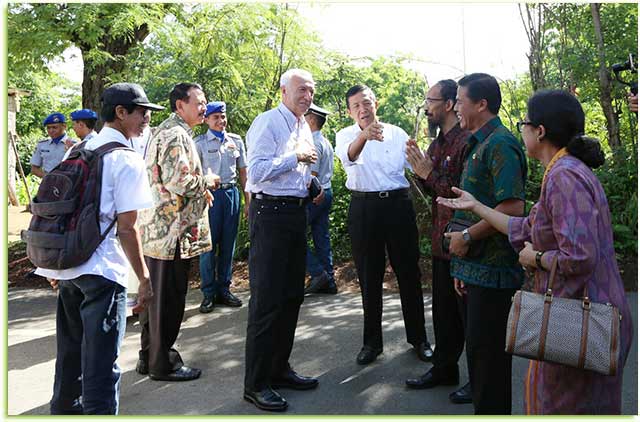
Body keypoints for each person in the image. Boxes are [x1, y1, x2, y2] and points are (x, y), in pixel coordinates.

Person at [438, 89, 634, 415]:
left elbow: (579, 256)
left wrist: (536, 259)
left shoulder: (565, 176)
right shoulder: (561, 172)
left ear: (539, 131)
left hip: (582, 320)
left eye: (524, 124)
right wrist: (477, 206)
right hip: (578, 315)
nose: (522, 130)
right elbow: (525, 226)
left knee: (566, 408)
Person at [34, 82, 160, 414]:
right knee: (102, 366)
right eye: (142, 112)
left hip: (71, 267)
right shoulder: (127, 159)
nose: (147, 118)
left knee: (70, 357)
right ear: (120, 113)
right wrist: (144, 279)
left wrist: (56, 265)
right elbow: (128, 227)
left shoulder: (79, 149)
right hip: (103, 272)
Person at [443, 73, 527, 414]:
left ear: (482, 104)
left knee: (489, 360)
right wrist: (463, 264)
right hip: (475, 269)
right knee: (478, 355)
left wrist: (466, 237)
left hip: (495, 272)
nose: (456, 108)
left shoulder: (501, 144)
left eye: (461, 101)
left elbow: (512, 208)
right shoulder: (478, 142)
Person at [335, 84, 433, 366]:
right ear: (350, 111)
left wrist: (423, 160)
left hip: (398, 206)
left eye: (366, 103)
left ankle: (419, 339)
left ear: (375, 103)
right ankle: (371, 343)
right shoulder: (345, 135)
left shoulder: (397, 133)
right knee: (369, 276)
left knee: (408, 274)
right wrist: (364, 136)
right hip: (364, 208)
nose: (362, 109)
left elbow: (417, 167)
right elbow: (349, 157)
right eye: (355, 106)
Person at [243, 68, 322, 412]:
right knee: (267, 301)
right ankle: (256, 384)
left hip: (294, 213)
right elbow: (257, 171)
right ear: (283, 91)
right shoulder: (267, 122)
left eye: (312, 92)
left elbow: (296, 172)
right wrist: (297, 158)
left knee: (291, 296)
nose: (308, 96)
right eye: (302, 90)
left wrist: (310, 183)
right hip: (270, 215)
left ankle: (279, 368)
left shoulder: (303, 125)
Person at [136, 83, 220, 382]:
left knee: (154, 302)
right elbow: (179, 181)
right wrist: (207, 181)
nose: (204, 107)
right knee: (168, 302)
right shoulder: (176, 134)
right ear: (179, 105)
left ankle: (149, 357)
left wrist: (199, 193)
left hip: (158, 231)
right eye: (199, 102)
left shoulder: (166, 131)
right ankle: (164, 364)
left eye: (205, 101)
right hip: (171, 233)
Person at [404, 79, 471, 403]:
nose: (426, 107)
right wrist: (419, 169)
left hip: (465, 241)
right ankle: (445, 368)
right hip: (440, 242)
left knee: (469, 316)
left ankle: (479, 380)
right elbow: (433, 189)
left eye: (430, 101)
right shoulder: (437, 143)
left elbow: (460, 193)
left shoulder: (466, 141)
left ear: (448, 104)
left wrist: (428, 173)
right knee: (443, 313)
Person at [195, 101, 249, 312]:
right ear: (207, 120)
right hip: (209, 196)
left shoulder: (235, 141)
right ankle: (208, 293)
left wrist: (247, 201)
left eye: (223, 117)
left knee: (229, 244)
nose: (221, 121)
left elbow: (243, 171)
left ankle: (224, 289)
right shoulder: (198, 143)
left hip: (231, 194)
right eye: (216, 117)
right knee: (208, 247)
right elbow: (194, 173)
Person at [303, 103, 337, 295]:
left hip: (315, 194)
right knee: (321, 236)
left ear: (312, 120)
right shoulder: (324, 141)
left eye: (305, 117)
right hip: (326, 192)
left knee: (295, 236)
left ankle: (318, 273)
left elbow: (312, 174)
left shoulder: (313, 143)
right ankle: (329, 280)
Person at [30, 112, 77, 178]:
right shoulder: (42, 145)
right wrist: (48, 177)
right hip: (48, 183)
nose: (51, 130)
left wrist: (71, 151)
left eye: (54, 127)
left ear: (64, 126)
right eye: (48, 128)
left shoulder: (74, 145)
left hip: (68, 183)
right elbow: (34, 169)